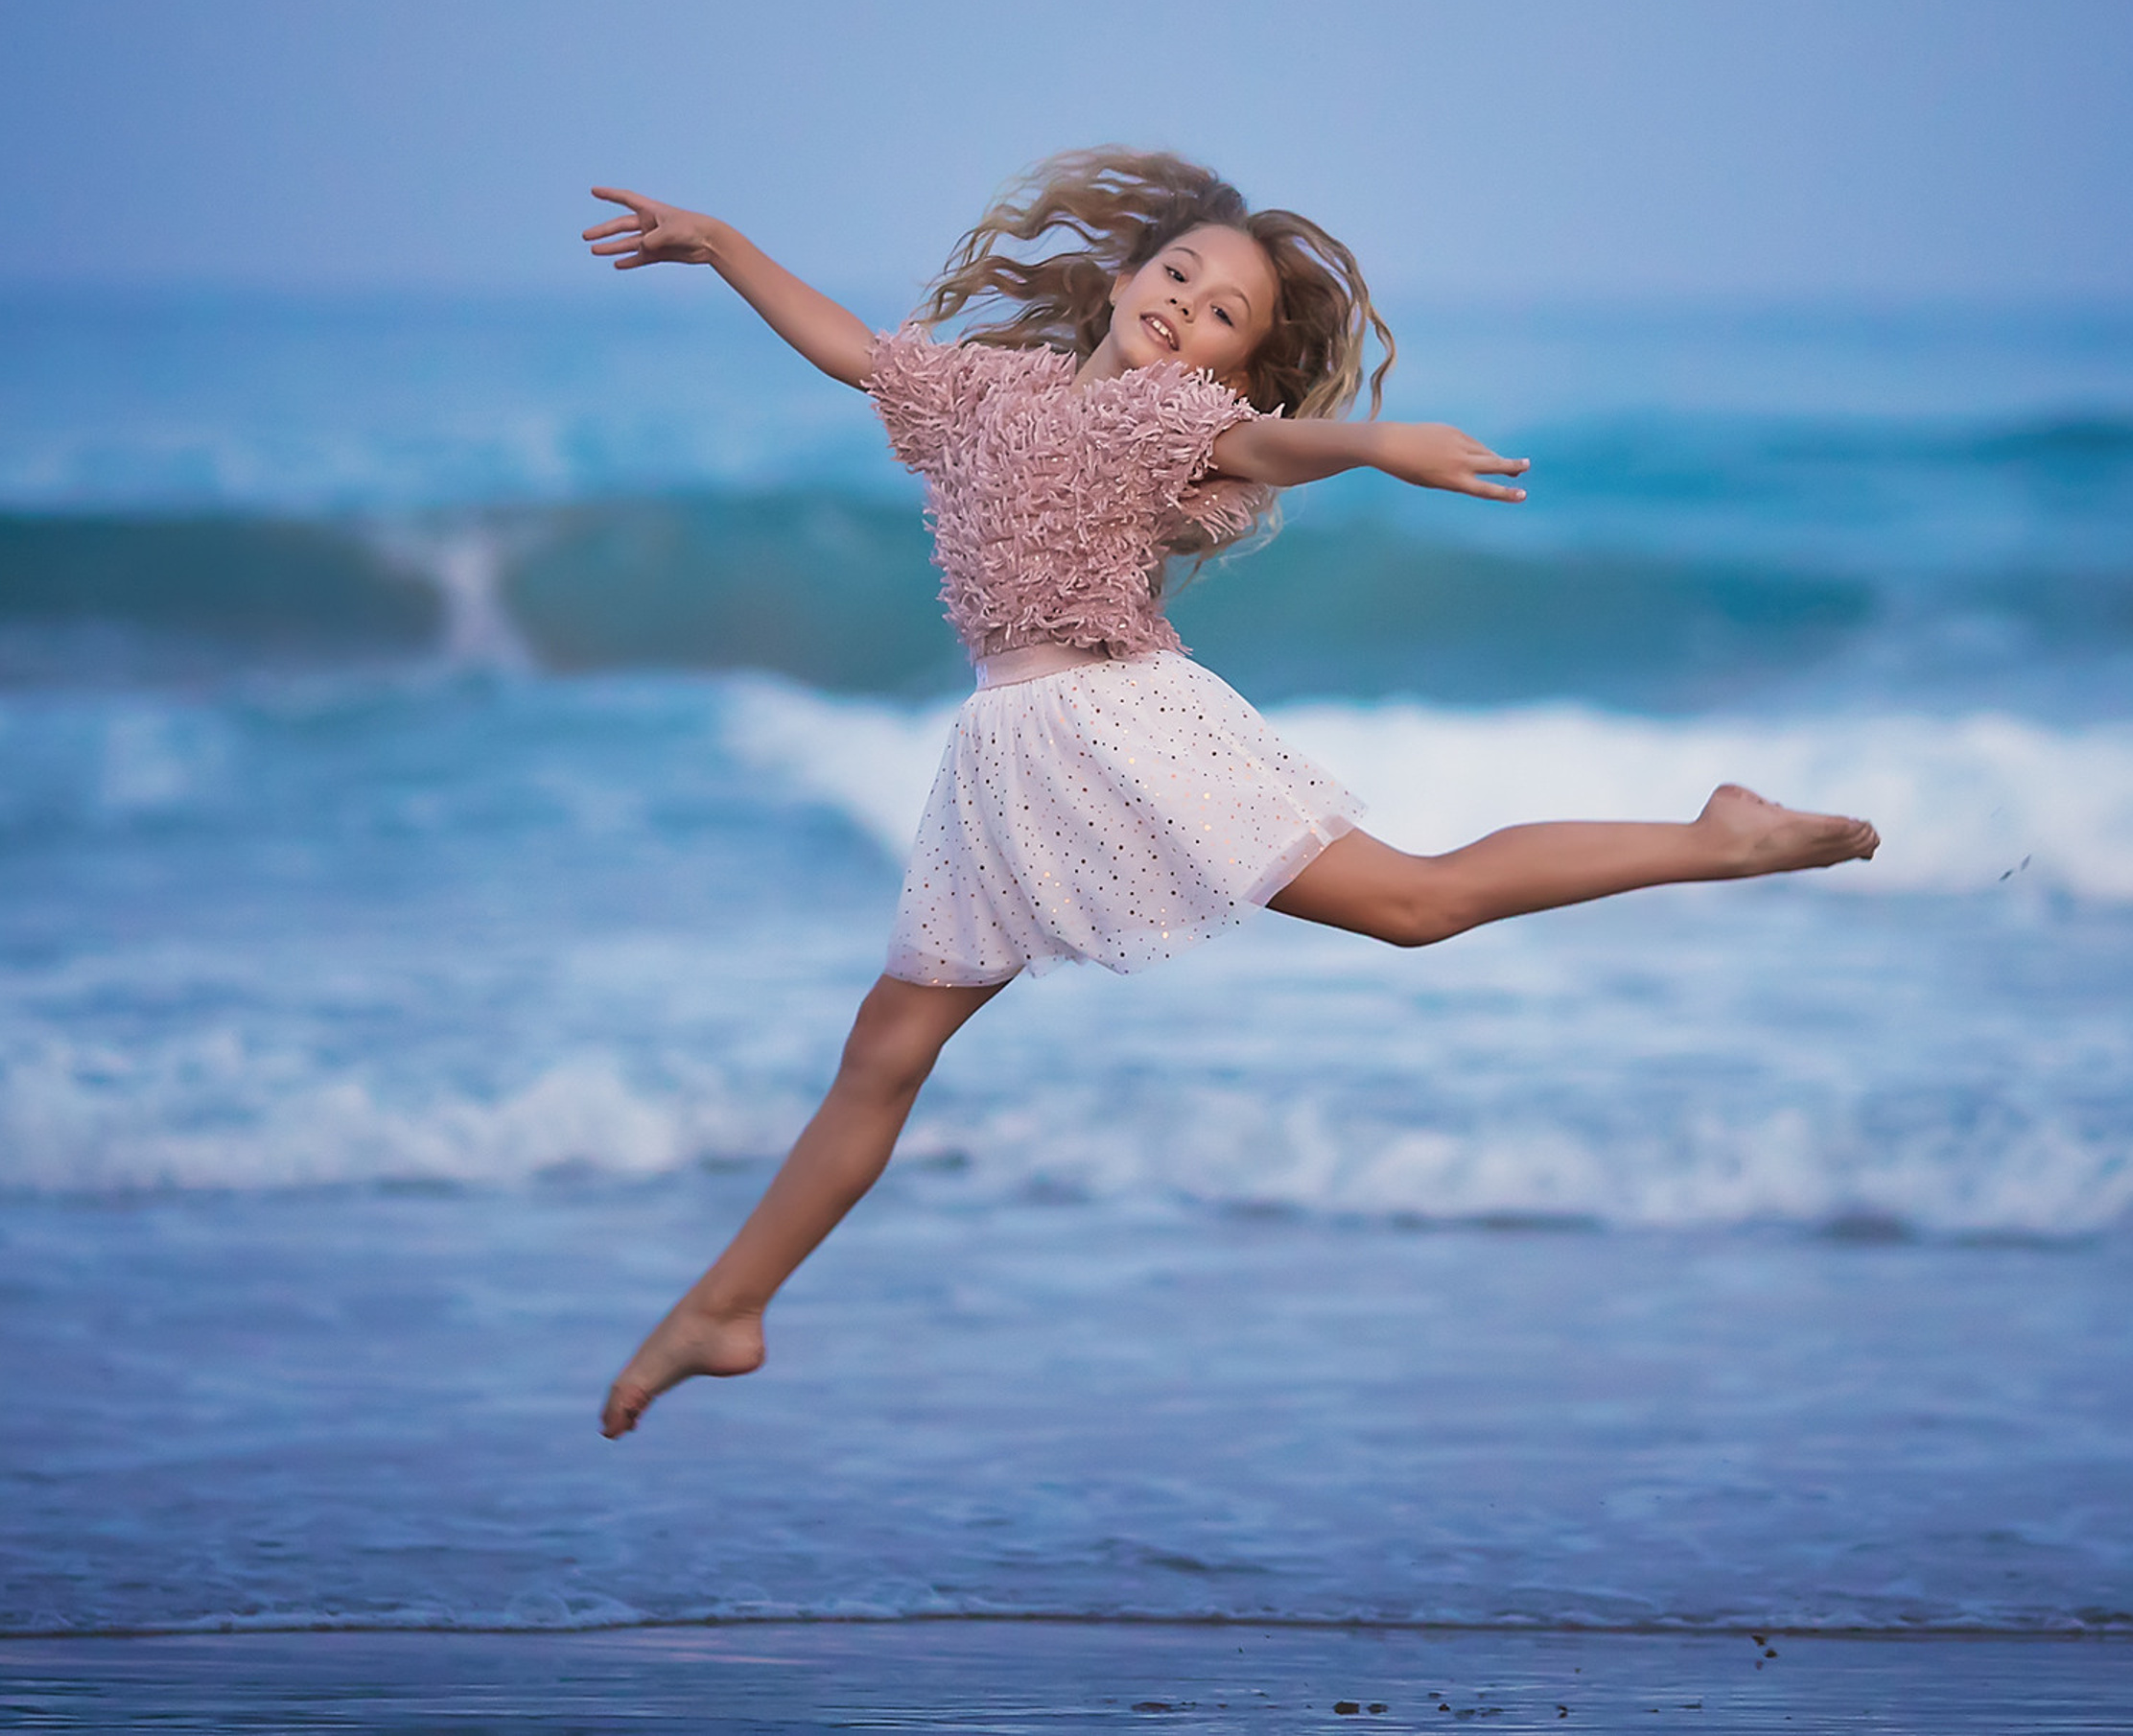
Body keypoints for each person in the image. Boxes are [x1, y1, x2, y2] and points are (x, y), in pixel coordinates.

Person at [582, 150, 1878, 1439]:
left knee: (1413, 906)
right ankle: (727, 1309)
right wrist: (724, 245)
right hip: (1009, 754)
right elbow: (856, 352)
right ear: (1119, 278)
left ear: (1227, 362)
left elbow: (1267, 442)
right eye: (1178, 276)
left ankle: (1715, 840)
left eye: (1222, 316)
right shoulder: (983, 391)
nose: (1185, 309)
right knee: (887, 1049)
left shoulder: (1169, 418)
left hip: (1123, 724)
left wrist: (1375, 445)